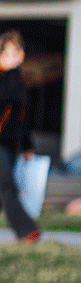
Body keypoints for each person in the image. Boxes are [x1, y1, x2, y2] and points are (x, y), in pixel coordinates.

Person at [0, 30, 41, 243]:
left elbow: (23, 118)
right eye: (15, 51)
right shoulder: (9, 78)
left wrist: (27, 145)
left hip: (10, 145)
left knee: (4, 188)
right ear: (3, 52)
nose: (20, 55)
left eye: (21, 50)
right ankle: (27, 231)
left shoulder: (18, 78)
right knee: (7, 185)